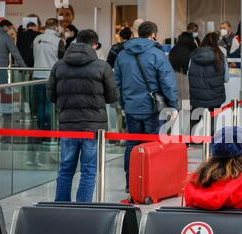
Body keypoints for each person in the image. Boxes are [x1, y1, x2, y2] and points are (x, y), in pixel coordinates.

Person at [48, 29, 119, 203]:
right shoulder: (103, 66)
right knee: (88, 171)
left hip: (67, 125)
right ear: (94, 45)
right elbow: (113, 97)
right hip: (93, 128)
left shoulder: (59, 65)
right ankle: (83, 207)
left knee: (65, 169)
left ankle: (61, 205)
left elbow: (51, 96)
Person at [114, 21, 178, 193]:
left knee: (132, 145)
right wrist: (173, 104)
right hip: (152, 107)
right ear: (153, 35)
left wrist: (123, 103)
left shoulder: (122, 55)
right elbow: (167, 82)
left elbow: (117, 83)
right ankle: (150, 184)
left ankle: (131, 183)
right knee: (152, 144)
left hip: (131, 107)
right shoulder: (157, 55)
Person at [188, 32, 229, 135]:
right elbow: (226, 78)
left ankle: (191, 140)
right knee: (213, 118)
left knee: (195, 118)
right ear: (216, 42)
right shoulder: (221, 55)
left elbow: (189, 73)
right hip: (215, 94)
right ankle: (210, 142)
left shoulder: (194, 55)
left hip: (198, 94)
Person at [33, 18, 66, 131]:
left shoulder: (37, 39)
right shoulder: (58, 41)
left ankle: (41, 129)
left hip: (36, 76)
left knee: (40, 105)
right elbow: (63, 59)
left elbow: (31, 55)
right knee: (50, 105)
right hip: (51, 77)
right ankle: (49, 131)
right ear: (57, 27)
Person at [0, 20, 26, 114]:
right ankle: (6, 112)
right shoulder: (5, 36)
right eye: (9, 28)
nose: (9, 30)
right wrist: (24, 67)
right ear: (5, 26)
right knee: (5, 91)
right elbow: (15, 53)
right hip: (1, 69)